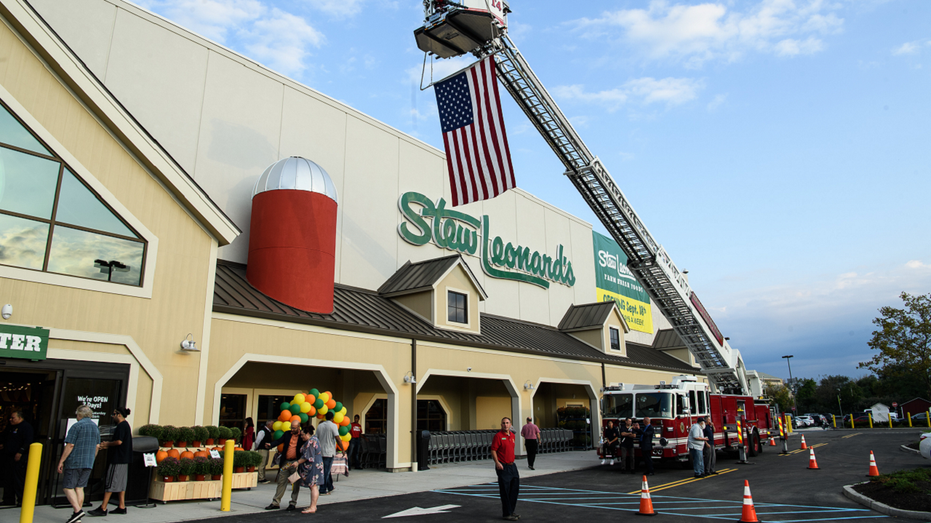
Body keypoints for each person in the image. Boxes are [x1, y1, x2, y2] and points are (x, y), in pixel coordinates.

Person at [58, 405, 100, 523]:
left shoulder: (77, 426)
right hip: (88, 462)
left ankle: (77, 511)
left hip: (75, 461)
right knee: (79, 487)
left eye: (77, 414)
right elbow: (97, 446)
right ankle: (77, 517)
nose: (76, 416)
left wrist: (61, 461)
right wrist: (92, 459)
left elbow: (70, 445)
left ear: (80, 415)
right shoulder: (95, 427)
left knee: (68, 486)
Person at [88, 407, 133, 516]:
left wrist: (106, 444)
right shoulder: (125, 425)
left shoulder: (121, 426)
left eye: (113, 414)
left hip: (118, 459)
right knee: (121, 483)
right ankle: (122, 506)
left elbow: (118, 442)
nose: (112, 416)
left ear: (119, 415)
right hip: (124, 459)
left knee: (111, 482)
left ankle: (103, 508)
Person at [263, 419, 303, 511]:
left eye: (293, 428)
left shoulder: (301, 436)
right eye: (291, 428)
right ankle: (275, 502)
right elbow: (279, 441)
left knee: (295, 483)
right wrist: (271, 445)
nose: (292, 430)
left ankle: (293, 502)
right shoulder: (287, 434)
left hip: (295, 462)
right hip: (286, 462)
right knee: (281, 480)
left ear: (298, 427)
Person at [1, 409, 34, 507]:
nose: (11, 420)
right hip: (8, 456)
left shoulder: (26, 427)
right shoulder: (10, 427)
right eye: (10, 418)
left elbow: (28, 441)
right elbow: (5, 437)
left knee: (18, 479)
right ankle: (8, 499)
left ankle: (21, 500)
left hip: (20, 457)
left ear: (20, 418)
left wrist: (20, 452)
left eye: (13, 418)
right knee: (8, 479)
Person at [490, 417, 520, 521]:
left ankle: (511, 511)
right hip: (503, 466)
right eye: (503, 423)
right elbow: (493, 450)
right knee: (505, 491)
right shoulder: (498, 436)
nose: (505, 425)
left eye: (507, 423)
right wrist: (497, 462)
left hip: (512, 465)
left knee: (514, 489)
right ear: (501, 425)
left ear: (510, 424)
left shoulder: (512, 436)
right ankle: (507, 513)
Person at [292, 424, 324, 514]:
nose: (301, 437)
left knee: (313, 486)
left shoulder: (311, 442)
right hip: (315, 465)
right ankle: (312, 505)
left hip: (313, 466)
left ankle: (313, 506)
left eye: (302, 435)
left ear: (308, 433)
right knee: (313, 486)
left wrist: (297, 462)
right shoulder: (314, 439)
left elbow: (308, 456)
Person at [316, 411, 340, 495]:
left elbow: (316, 438)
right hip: (329, 452)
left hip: (321, 451)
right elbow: (337, 438)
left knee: (326, 469)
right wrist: (342, 449)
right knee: (326, 471)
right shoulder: (333, 426)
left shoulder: (320, 426)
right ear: (332, 418)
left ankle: (330, 486)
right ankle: (322, 489)